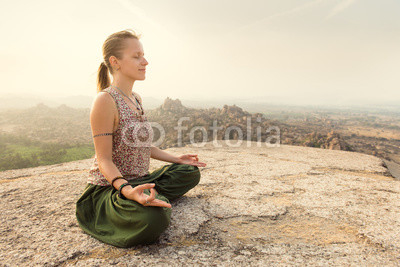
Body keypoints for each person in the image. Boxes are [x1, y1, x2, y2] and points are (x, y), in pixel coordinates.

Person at [75, 29, 207, 248]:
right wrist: (126, 189)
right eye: (136, 56)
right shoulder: (105, 100)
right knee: (154, 219)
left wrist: (177, 159)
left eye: (143, 55)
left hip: (140, 178)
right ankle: (142, 200)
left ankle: (146, 195)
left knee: (190, 171)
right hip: (111, 189)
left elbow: (145, 147)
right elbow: (103, 159)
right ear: (115, 61)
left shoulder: (135, 98)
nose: (144, 61)